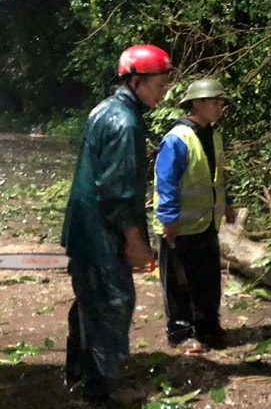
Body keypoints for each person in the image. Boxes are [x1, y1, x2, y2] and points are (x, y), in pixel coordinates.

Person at [61, 44, 173, 404]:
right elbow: (116, 191)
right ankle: (99, 388)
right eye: (159, 84)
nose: (164, 91)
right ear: (136, 82)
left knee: (90, 299)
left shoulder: (104, 111)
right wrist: (134, 240)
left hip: (85, 230)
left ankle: (76, 368)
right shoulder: (125, 123)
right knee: (114, 303)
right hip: (103, 233)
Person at [152, 78, 235, 353]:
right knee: (178, 284)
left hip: (207, 224)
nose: (219, 108)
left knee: (208, 281)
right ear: (196, 103)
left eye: (221, 103)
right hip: (180, 227)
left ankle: (208, 328)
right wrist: (168, 219)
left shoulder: (214, 135)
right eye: (214, 102)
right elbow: (166, 181)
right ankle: (180, 333)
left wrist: (228, 204)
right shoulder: (177, 138)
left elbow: (216, 176)